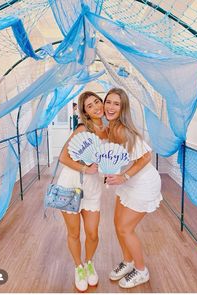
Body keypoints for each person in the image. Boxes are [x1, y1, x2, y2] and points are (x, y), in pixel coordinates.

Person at [104, 88, 162, 289]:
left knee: (125, 228)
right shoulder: (110, 127)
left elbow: (146, 157)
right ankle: (128, 262)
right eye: (108, 102)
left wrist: (124, 176)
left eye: (116, 104)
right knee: (116, 223)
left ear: (123, 108)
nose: (110, 107)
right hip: (129, 181)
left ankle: (141, 270)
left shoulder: (122, 130)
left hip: (143, 182)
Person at [58, 91, 108, 292]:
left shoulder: (108, 130)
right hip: (70, 184)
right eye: (90, 105)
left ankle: (89, 262)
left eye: (97, 101)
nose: (96, 107)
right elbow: (63, 157)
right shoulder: (82, 129)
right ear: (85, 112)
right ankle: (78, 267)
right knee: (74, 232)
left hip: (93, 187)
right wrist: (85, 168)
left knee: (93, 233)